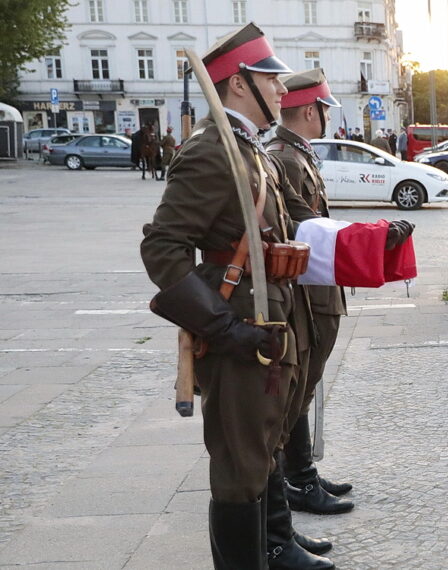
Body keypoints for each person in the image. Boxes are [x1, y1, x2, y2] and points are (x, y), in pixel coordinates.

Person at [139, 23, 315, 568]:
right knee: (239, 469)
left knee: (261, 453)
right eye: (272, 79)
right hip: (240, 333)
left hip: (267, 327)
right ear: (238, 84)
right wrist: (221, 328)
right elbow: (164, 247)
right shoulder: (212, 151)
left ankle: (269, 552)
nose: (284, 92)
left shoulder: (250, 151)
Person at [266, 68, 354, 569]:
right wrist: (362, 238)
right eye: (323, 108)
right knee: (296, 389)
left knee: (304, 386)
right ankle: (297, 482)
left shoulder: (296, 154)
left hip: (319, 287)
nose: (326, 116)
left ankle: (301, 476)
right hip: (307, 291)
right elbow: (306, 221)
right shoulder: (284, 157)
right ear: (308, 109)